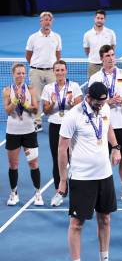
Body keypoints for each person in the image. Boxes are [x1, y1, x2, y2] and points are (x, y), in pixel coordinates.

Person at [57, 82, 122, 261]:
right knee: (77, 224)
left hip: (104, 174)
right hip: (82, 177)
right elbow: (62, 149)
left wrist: (115, 147)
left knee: (105, 219)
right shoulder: (72, 116)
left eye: (104, 102)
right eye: (98, 102)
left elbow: (108, 127)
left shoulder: (104, 108)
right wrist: (62, 179)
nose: (102, 105)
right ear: (88, 97)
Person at [89, 45, 122, 204]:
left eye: (112, 54)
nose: (111, 58)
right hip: (102, 124)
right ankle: (101, 190)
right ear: (102, 58)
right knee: (101, 158)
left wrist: (120, 100)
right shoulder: (95, 78)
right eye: (107, 55)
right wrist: (108, 102)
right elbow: (91, 101)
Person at [41, 60, 83, 206]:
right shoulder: (48, 88)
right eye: (57, 70)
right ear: (54, 72)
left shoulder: (74, 86)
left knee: (74, 159)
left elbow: (80, 107)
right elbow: (45, 111)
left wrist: (72, 104)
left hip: (71, 126)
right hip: (55, 126)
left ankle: (77, 193)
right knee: (57, 159)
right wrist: (52, 104)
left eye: (62, 70)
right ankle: (59, 192)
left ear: (66, 71)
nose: (59, 72)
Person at [3, 63, 43, 206]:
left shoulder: (31, 89)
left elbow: (35, 110)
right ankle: (14, 193)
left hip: (29, 132)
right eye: (18, 73)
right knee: (13, 164)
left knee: (33, 163)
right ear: (13, 74)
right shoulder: (7, 90)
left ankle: (38, 193)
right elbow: (7, 111)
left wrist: (25, 104)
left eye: (23, 73)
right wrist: (15, 100)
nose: (21, 75)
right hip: (13, 132)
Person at [26, 11, 62, 132]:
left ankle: (55, 119)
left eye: (49, 20)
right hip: (36, 71)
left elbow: (58, 55)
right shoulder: (33, 37)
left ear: (52, 22)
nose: (47, 22)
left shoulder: (57, 37)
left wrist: (54, 68)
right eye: (45, 19)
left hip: (51, 72)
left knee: (53, 96)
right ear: (40, 21)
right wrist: (36, 65)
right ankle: (37, 122)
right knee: (35, 98)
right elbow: (28, 55)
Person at [83, 10, 117, 78]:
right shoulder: (87, 34)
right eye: (98, 18)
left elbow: (112, 47)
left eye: (102, 18)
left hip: (107, 64)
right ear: (94, 18)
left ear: (104, 20)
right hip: (93, 65)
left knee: (109, 84)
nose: (99, 20)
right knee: (92, 86)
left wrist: (108, 58)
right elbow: (87, 49)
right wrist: (94, 57)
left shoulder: (111, 33)